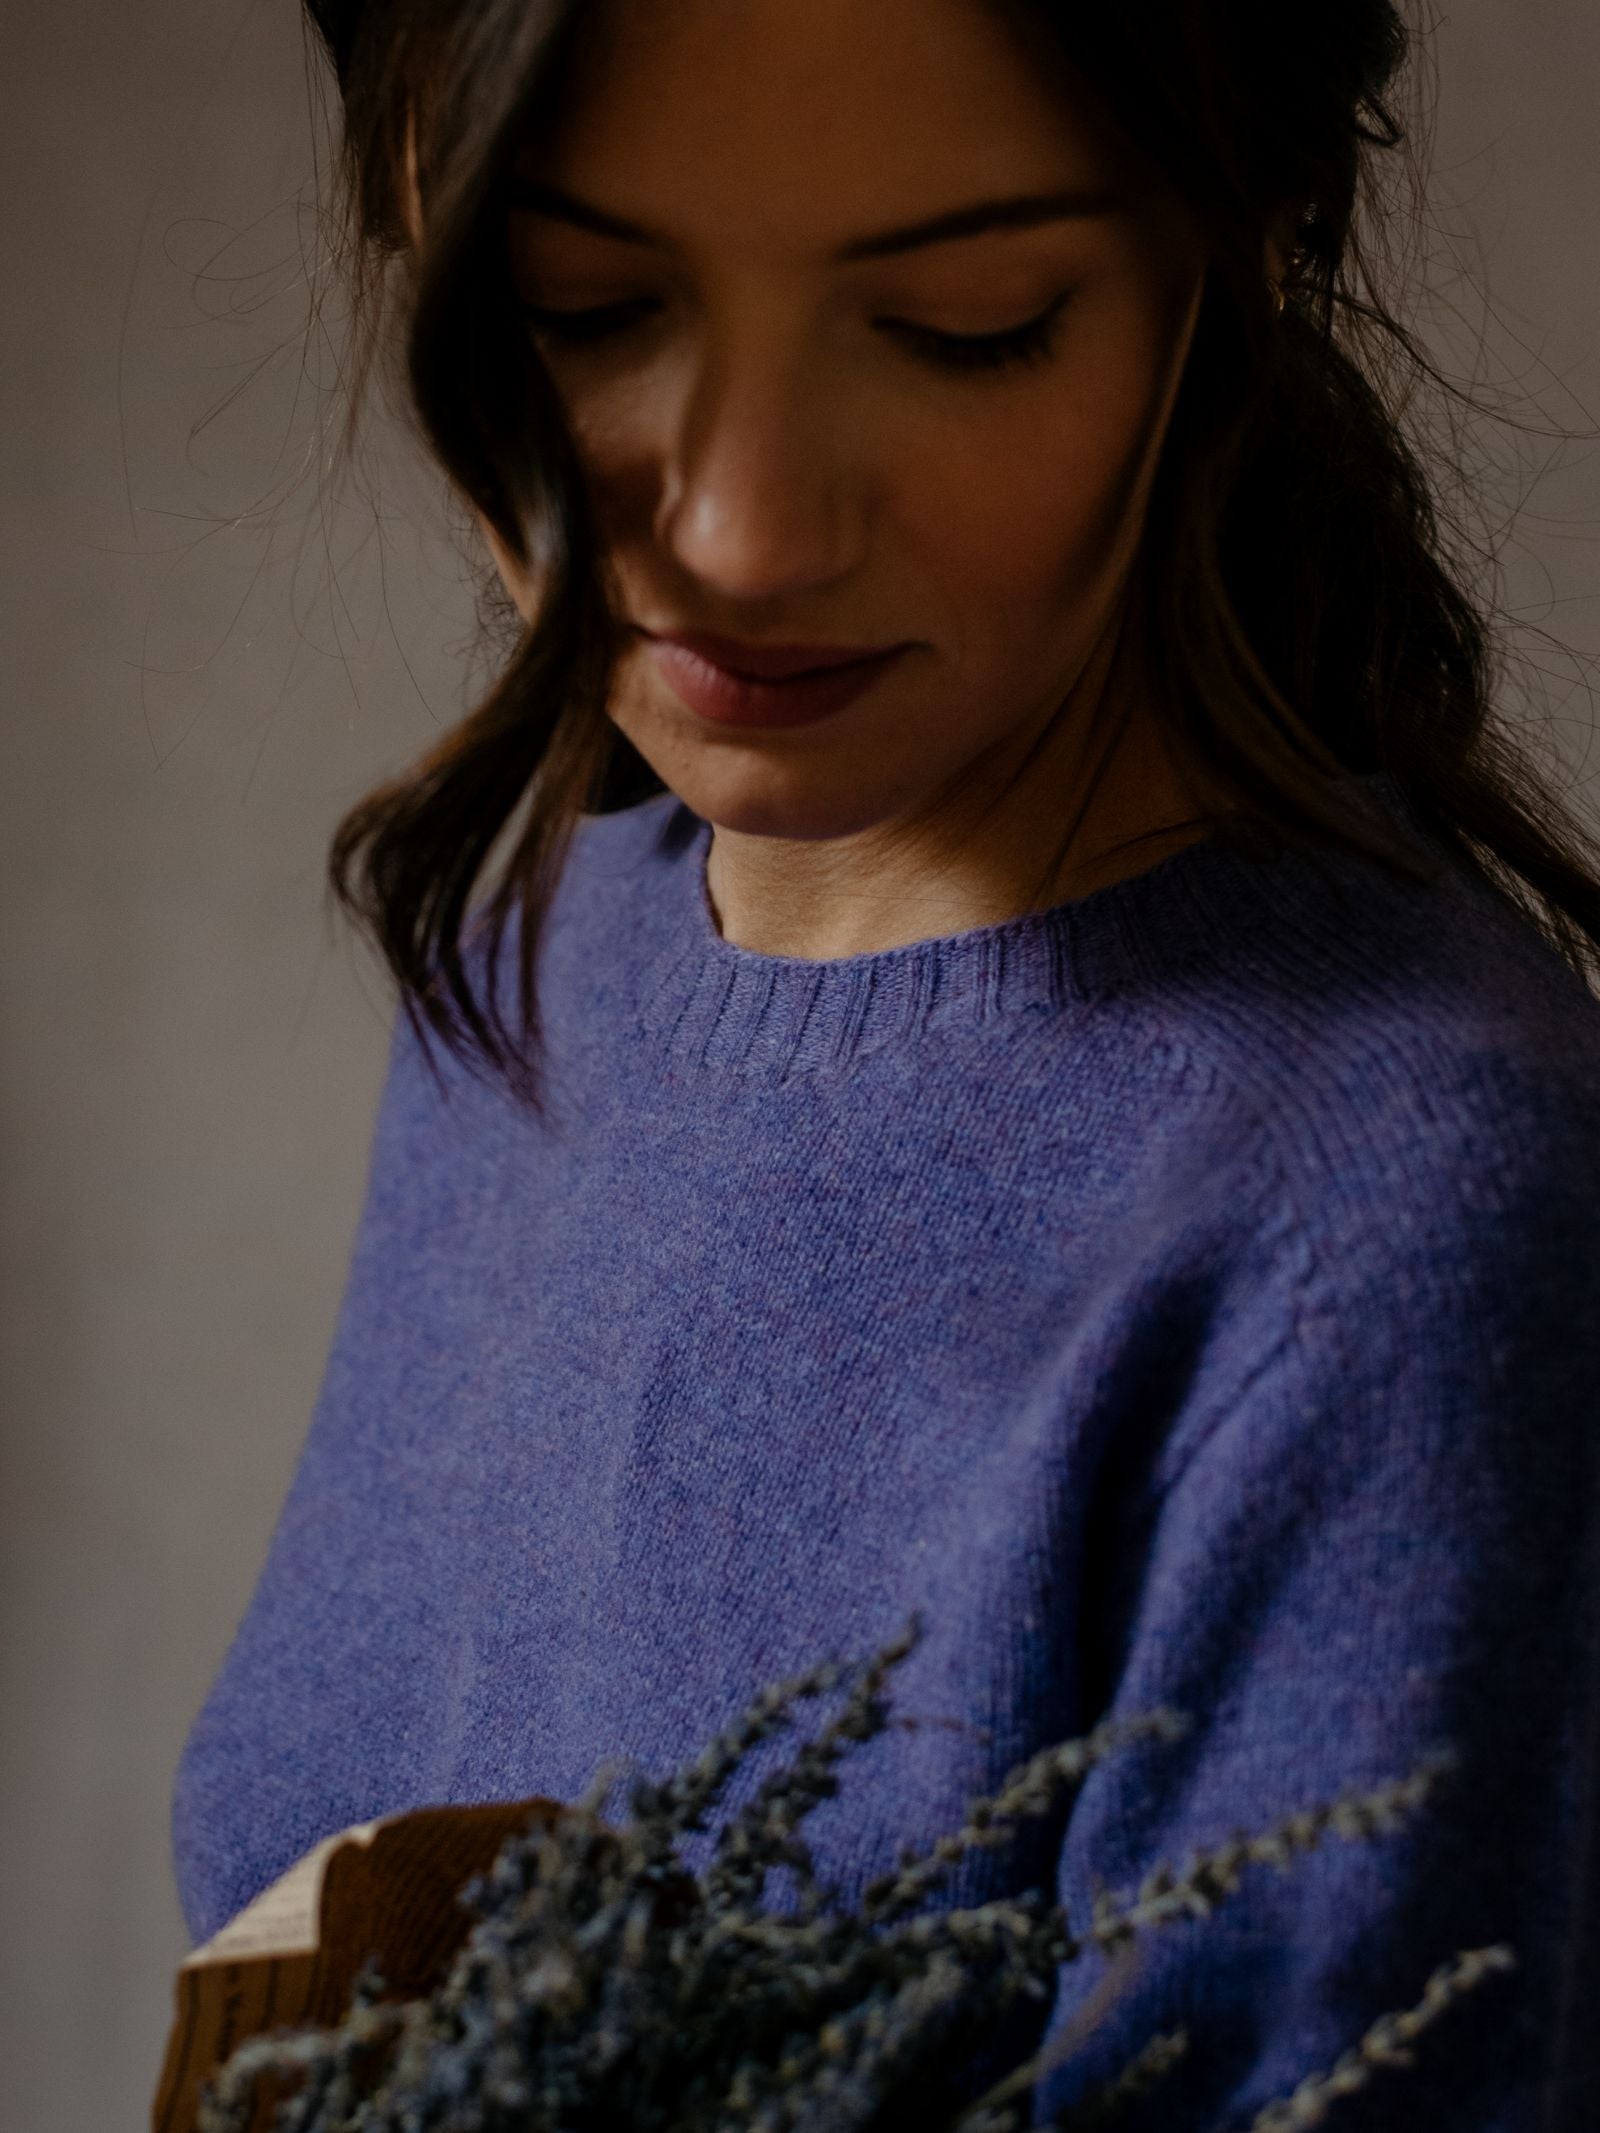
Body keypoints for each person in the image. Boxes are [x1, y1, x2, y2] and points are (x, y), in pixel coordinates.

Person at [171, 0, 1600, 2124]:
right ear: (415, 211)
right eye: (586, 301)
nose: (742, 527)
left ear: (1245, 255)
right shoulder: (534, 952)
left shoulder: (1388, 1221)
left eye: (958, 322)